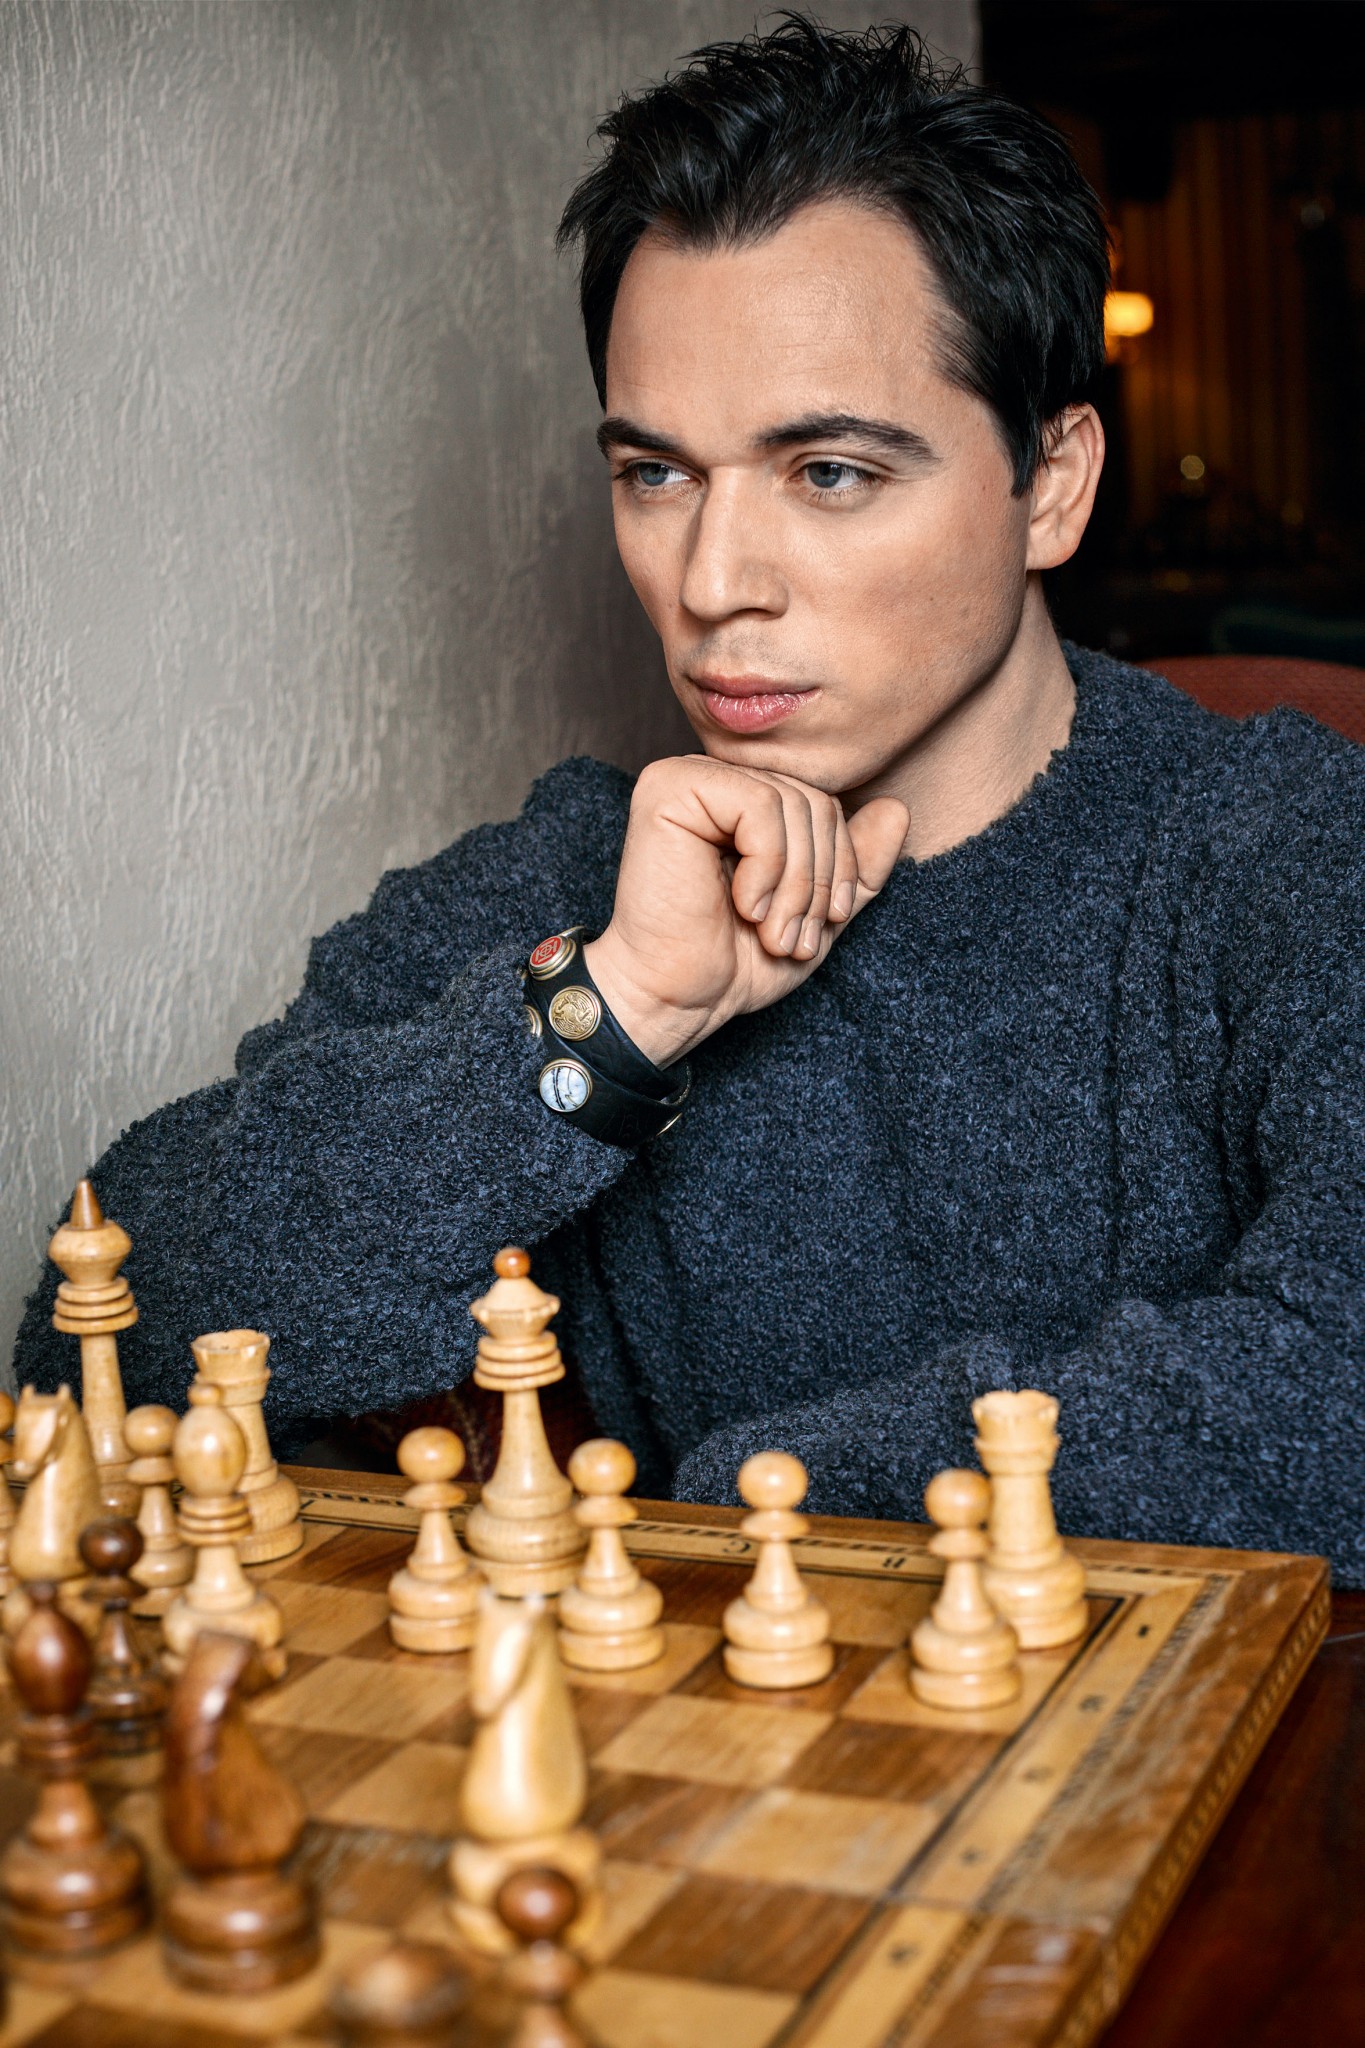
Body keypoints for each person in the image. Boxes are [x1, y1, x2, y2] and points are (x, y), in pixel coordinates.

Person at [14, 19, 1365, 1583]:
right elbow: (95, 1333)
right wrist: (610, 1022)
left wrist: (744, 1511)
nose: (713, 583)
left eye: (829, 472)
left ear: (1050, 483)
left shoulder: (1293, 850)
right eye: (655, 474)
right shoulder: (581, 879)